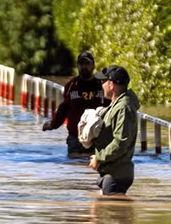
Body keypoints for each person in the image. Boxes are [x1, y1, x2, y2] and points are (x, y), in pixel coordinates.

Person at [42, 51, 109, 157]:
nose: (84, 67)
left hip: (96, 137)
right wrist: (53, 124)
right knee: (74, 163)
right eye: (81, 64)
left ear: (93, 66)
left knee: (95, 162)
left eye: (87, 64)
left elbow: (110, 107)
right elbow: (63, 108)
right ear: (77, 66)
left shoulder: (101, 85)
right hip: (75, 137)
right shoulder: (71, 85)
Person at [88, 65, 140, 195]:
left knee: (112, 208)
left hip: (117, 175)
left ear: (111, 85)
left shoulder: (124, 108)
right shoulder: (117, 104)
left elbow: (120, 143)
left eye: (103, 81)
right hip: (111, 172)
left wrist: (98, 158)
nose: (101, 85)